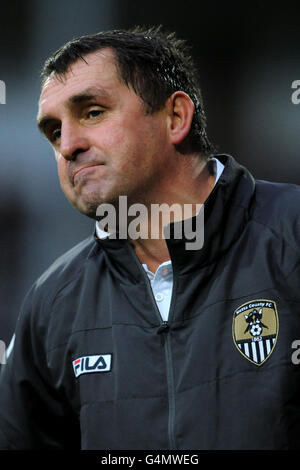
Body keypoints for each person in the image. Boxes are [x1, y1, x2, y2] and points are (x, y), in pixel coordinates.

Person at [0, 26, 300, 451]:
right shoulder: (52, 301)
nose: (68, 145)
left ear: (175, 117)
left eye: (92, 112)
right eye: (53, 132)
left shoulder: (291, 233)